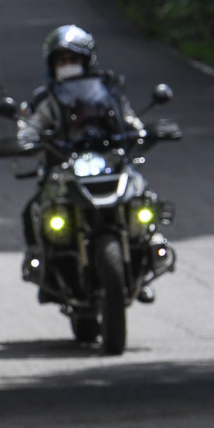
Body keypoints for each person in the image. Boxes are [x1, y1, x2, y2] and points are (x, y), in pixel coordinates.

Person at [15, 25, 148, 284]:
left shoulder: (109, 93)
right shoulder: (47, 99)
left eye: (73, 59)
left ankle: (145, 251)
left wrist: (142, 132)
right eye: (62, 60)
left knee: (142, 194)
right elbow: (31, 128)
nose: (68, 65)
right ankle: (40, 266)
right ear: (52, 64)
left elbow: (130, 121)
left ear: (87, 61)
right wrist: (26, 140)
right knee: (33, 210)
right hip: (64, 166)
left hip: (108, 161)